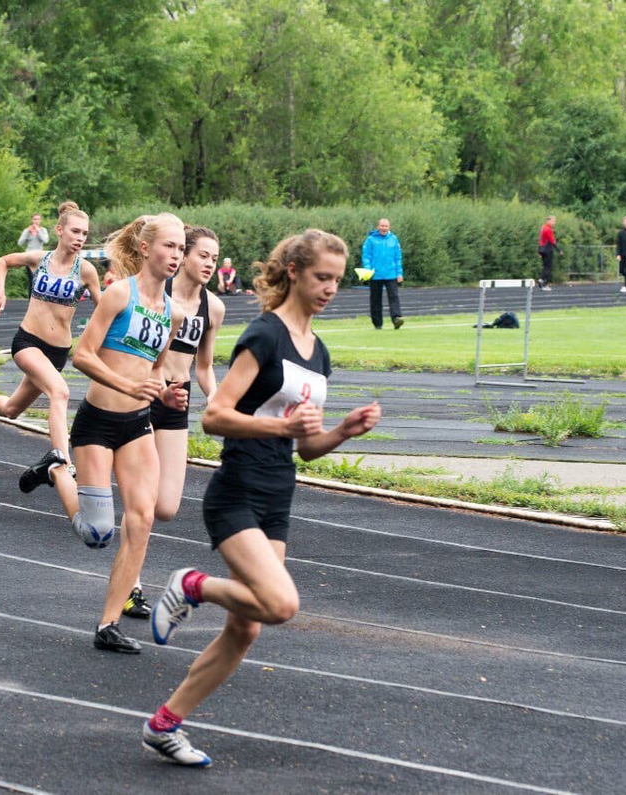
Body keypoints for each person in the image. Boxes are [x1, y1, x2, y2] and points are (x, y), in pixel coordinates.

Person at [142, 230, 382, 766]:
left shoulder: (319, 353)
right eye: (322, 277)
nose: (330, 289)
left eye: (337, 281)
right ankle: (192, 585)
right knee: (280, 605)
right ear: (294, 271)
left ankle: (165, 724)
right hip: (238, 491)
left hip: (279, 496)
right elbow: (214, 416)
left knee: (247, 627)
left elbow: (307, 448)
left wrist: (343, 430)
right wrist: (280, 429)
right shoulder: (264, 336)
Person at [63, 213, 187, 654]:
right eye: (170, 246)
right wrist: (129, 385)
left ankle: (107, 626)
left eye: (181, 249)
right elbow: (83, 355)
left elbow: (153, 371)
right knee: (97, 532)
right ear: (145, 248)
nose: (176, 256)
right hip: (97, 422)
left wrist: (165, 397)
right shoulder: (119, 294)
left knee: (143, 518)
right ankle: (58, 470)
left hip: (137, 425)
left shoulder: (173, 314)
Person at [0, 202, 103, 520]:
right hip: (28, 342)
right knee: (59, 392)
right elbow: (4, 260)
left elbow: (105, 310)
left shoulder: (86, 271)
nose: (80, 238)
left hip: (57, 352)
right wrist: (0, 292)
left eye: (85, 234)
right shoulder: (40, 259)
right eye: (75, 231)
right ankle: (62, 460)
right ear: (59, 230)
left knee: (12, 409)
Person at [128, 225, 226, 620]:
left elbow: (204, 366)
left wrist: (216, 400)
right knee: (145, 504)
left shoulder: (213, 308)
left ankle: (131, 502)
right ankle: (130, 587)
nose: (209, 264)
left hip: (177, 405)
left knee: (166, 506)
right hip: (143, 396)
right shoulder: (155, 293)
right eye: (203, 255)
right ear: (184, 255)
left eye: (215, 259)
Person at [361, 217, 404, 329]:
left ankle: (396, 319)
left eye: (386, 226)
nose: (384, 228)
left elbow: (398, 257)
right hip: (375, 275)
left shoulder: (394, 239)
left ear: (389, 227)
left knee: (394, 297)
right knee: (375, 299)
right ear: (378, 227)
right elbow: (366, 256)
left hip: (391, 274)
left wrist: (399, 273)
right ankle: (378, 324)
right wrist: (368, 269)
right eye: (382, 226)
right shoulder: (370, 240)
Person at [537, 215, 561, 291]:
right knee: (548, 267)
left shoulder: (542, 227)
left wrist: (539, 251)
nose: (554, 223)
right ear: (549, 220)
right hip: (547, 249)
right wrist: (559, 250)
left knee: (545, 266)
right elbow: (552, 241)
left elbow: (540, 239)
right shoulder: (548, 229)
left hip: (542, 249)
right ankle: (543, 282)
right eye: (553, 221)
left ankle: (542, 283)